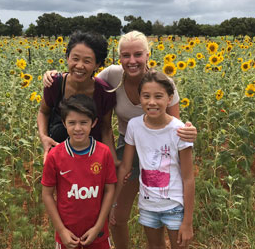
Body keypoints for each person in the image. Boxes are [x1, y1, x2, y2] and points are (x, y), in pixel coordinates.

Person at [43, 30, 197, 249]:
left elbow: (173, 126)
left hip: (160, 149)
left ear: (147, 55)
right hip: (129, 146)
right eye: (126, 55)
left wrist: (188, 130)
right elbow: (82, 73)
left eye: (138, 55)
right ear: (119, 58)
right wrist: (53, 75)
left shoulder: (162, 83)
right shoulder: (112, 75)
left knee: (167, 206)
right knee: (116, 216)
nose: (131, 61)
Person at [110, 70, 195, 249]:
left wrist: (187, 222)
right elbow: (125, 167)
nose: (152, 102)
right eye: (146, 96)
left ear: (169, 98)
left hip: (175, 206)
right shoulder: (134, 126)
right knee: (154, 245)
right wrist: (114, 203)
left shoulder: (179, 130)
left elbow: (188, 178)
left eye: (158, 96)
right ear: (140, 98)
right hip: (148, 205)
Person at [41, 94, 117, 249]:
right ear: (64, 123)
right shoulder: (55, 155)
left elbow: (109, 190)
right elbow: (47, 194)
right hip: (67, 234)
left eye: (83, 122)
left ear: (93, 123)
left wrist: (99, 226)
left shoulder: (104, 152)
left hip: (98, 233)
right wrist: (61, 230)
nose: (77, 128)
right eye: (72, 123)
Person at [37, 30, 116, 163]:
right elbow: (43, 112)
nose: (79, 66)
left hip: (92, 158)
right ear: (67, 58)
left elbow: (106, 129)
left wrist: (112, 162)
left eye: (87, 61)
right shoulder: (55, 83)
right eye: (75, 58)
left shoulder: (104, 92)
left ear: (97, 64)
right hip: (59, 155)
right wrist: (44, 137)